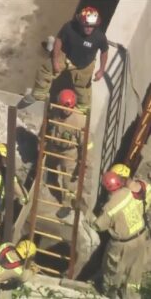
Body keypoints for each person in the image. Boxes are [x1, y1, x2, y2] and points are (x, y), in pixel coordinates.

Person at [27, 6, 108, 113]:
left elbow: (104, 52)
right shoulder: (69, 27)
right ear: (81, 23)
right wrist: (55, 60)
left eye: (92, 26)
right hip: (66, 55)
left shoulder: (99, 37)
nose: (89, 28)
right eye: (86, 25)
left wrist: (101, 70)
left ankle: (82, 110)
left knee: (83, 88)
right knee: (46, 69)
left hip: (84, 64)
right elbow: (59, 41)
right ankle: (39, 95)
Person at [90, 171, 148, 299]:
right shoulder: (128, 193)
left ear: (106, 188)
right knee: (135, 271)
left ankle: (110, 293)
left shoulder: (109, 207)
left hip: (123, 244)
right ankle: (132, 295)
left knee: (112, 269)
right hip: (140, 237)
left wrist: (88, 217)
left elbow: (98, 226)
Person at [45, 89, 90, 218]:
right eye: (64, 107)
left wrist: (83, 164)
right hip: (53, 147)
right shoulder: (54, 111)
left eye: (69, 108)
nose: (66, 110)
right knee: (49, 168)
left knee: (68, 180)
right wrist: (41, 140)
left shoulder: (80, 120)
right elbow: (47, 126)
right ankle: (51, 182)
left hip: (69, 153)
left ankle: (67, 204)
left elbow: (86, 145)